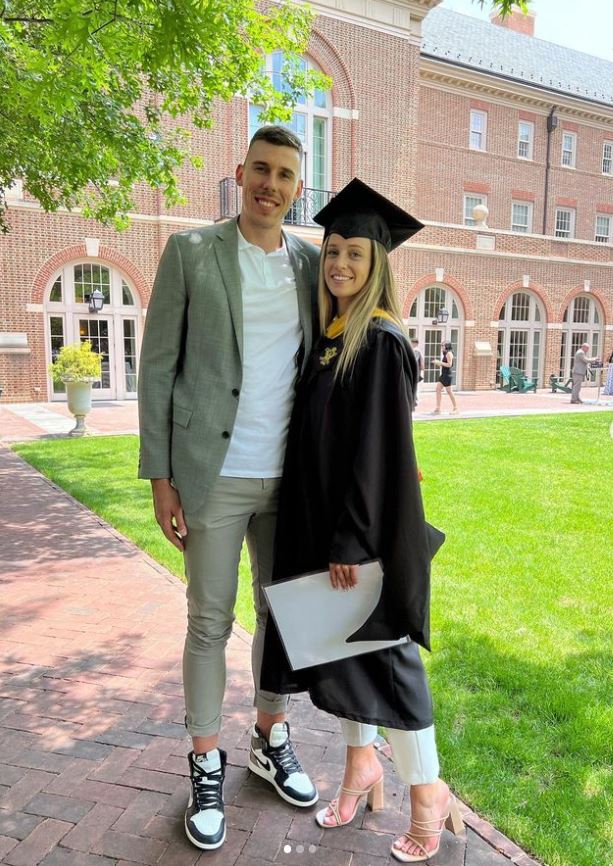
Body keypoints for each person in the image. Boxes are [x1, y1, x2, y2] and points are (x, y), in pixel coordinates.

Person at [261, 178, 464, 863]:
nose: (340, 263)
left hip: (361, 535)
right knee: (335, 657)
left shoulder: (377, 342)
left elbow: (378, 454)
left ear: (377, 262)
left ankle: (426, 790)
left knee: (387, 664)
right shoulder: (331, 338)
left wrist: (349, 537)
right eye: (332, 250)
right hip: (320, 528)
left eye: (353, 252)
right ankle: (359, 767)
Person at [138, 125, 320, 851]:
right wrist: (161, 477)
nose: (270, 186)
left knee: (281, 619)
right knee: (209, 623)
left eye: (285, 176)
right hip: (210, 478)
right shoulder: (190, 251)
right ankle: (203, 759)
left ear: (297, 189)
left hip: (289, 481)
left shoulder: (311, 265)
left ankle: (269, 737)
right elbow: (157, 369)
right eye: (261, 171)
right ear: (239, 172)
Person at [431, 341, 458, 414]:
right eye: (441, 345)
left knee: (449, 392)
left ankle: (456, 409)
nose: (442, 347)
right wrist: (437, 363)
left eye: (443, 345)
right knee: (438, 389)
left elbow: (449, 365)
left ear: (447, 346)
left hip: (447, 375)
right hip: (443, 375)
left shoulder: (449, 353)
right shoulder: (445, 354)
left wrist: (440, 362)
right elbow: (444, 365)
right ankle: (438, 409)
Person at [410, 337, 424, 407]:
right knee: (414, 385)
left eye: (412, 343)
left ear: (415, 343)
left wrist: (421, 370)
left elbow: (418, 362)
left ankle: (414, 400)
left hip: (414, 371)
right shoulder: (417, 351)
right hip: (415, 370)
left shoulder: (416, 351)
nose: (411, 344)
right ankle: (414, 399)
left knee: (414, 385)